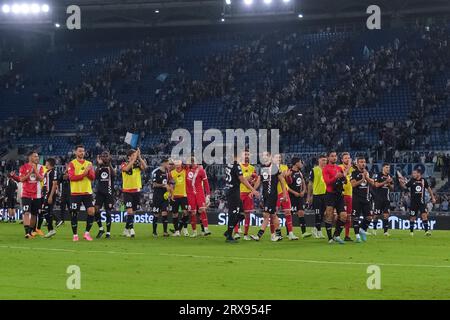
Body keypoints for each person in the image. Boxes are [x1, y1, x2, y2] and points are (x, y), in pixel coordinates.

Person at [223, 149, 259, 243]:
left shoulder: (229, 165)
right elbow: (242, 179)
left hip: (232, 190)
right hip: (233, 192)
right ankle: (229, 236)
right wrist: (253, 189)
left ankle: (228, 232)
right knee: (233, 213)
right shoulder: (236, 165)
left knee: (241, 214)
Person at [251, 152, 286, 242]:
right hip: (265, 195)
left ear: (270, 157)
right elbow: (259, 180)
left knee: (266, 214)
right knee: (273, 215)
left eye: (266, 155)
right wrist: (253, 190)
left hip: (272, 195)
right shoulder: (263, 168)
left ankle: (259, 235)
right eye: (263, 155)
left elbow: (282, 181)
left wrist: (284, 194)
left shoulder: (274, 167)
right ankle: (278, 235)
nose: (264, 157)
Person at [68, 145, 96, 242]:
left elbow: (92, 177)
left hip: (87, 192)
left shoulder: (89, 163)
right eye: (80, 151)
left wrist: (89, 172)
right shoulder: (72, 164)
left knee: (91, 211)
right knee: (74, 213)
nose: (82, 153)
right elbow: (71, 177)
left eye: (83, 151)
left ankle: (87, 233)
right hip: (76, 192)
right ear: (75, 152)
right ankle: (75, 235)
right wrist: (84, 173)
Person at [322, 151, 349, 244]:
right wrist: (335, 177)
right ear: (328, 158)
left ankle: (336, 235)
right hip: (330, 194)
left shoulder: (338, 168)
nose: (334, 158)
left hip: (339, 195)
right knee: (329, 215)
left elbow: (344, 180)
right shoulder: (325, 169)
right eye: (332, 156)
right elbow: (327, 182)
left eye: (335, 156)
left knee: (344, 216)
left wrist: (343, 178)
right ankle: (330, 238)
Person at [399, 169, 436, 236]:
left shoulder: (423, 180)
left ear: (419, 174)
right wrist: (401, 183)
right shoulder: (412, 180)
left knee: (424, 215)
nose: (413, 174)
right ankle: (411, 232)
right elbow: (405, 187)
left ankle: (426, 231)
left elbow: (429, 189)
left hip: (421, 202)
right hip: (413, 202)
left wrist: (433, 197)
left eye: (414, 173)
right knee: (412, 217)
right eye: (413, 173)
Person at [16, 151, 44, 238]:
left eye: (37, 156)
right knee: (26, 213)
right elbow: (21, 179)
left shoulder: (40, 167)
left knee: (34, 214)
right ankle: (27, 232)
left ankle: (31, 231)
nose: (37, 158)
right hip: (26, 194)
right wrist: (29, 173)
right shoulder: (23, 167)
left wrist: (35, 171)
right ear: (30, 157)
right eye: (35, 156)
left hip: (37, 194)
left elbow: (41, 179)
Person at [121, 148, 148, 238]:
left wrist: (139, 157)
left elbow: (145, 167)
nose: (134, 157)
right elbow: (126, 169)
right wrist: (133, 160)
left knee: (133, 212)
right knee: (129, 211)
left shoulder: (137, 164)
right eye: (133, 155)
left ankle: (125, 229)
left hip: (136, 191)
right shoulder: (124, 164)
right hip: (127, 191)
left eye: (135, 155)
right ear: (128, 157)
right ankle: (131, 229)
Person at [233, 150, 259, 240]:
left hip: (248, 194)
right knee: (237, 213)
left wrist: (253, 181)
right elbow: (241, 179)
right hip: (239, 192)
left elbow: (255, 180)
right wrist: (250, 177)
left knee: (247, 214)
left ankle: (245, 234)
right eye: (245, 154)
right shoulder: (237, 166)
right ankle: (236, 232)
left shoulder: (252, 168)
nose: (247, 156)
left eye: (248, 154)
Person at [350, 157, 375, 242]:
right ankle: (357, 236)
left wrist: (366, 177)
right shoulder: (354, 173)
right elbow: (353, 185)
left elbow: (373, 183)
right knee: (355, 218)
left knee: (369, 217)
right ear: (357, 163)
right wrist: (362, 179)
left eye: (364, 162)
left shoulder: (367, 172)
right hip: (356, 199)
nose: (363, 163)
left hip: (366, 199)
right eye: (361, 162)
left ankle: (362, 230)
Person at [273, 154, 297, 240]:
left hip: (284, 193)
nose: (278, 159)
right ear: (273, 159)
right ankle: (275, 233)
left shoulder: (284, 167)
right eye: (276, 157)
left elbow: (289, 182)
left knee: (288, 213)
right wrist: (281, 176)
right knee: (273, 214)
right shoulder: (271, 168)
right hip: (275, 194)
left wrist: (288, 176)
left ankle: (290, 233)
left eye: (279, 157)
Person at [186, 156, 211, 237]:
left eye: (193, 161)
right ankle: (194, 231)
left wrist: (208, 195)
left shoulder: (201, 170)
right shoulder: (186, 169)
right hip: (190, 194)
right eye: (191, 161)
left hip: (199, 193)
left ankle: (206, 229)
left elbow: (206, 183)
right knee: (193, 212)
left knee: (202, 210)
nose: (192, 162)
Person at [287, 157, 312, 239]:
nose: (301, 164)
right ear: (296, 163)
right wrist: (294, 193)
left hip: (300, 196)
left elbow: (304, 182)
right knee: (290, 214)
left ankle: (304, 232)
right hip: (291, 196)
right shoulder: (289, 172)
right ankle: (289, 233)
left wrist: (303, 191)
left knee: (301, 212)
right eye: (300, 162)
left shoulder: (300, 172)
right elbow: (286, 186)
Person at [94, 151, 116, 239]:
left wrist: (109, 163)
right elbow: (95, 176)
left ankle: (108, 233)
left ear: (109, 157)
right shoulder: (99, 167)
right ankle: (101, 228)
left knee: (108, 212)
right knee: (96, 210)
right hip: (100, 192)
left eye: (106, 156)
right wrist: (99, 165)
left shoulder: (110, 166)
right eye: (103, 156)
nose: (105, 157)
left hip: (109, 192)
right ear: (100, 157)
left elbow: (114, 174)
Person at [308, 154, 327, 239]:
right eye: (323, 160)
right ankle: (318, 231)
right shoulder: (314, 170)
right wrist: (309, 196)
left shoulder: (328, 169)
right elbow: (310, 183)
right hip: (317, 195)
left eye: (325, 160)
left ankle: (316, 229)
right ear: (319, 160)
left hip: (326, 195)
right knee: (317, 213)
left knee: (322, 214)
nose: (324, 162)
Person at [372, 163, 394, 236]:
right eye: (387, 167)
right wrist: (386, 182)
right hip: (378, 199)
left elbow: (392, 188)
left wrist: (389, 184)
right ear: (383, 168)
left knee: (386, 215)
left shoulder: (390, 176)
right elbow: (376, 185)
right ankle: (374, 230)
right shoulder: (378, 175)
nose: (388, 169)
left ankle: (385, 232)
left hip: (386, 199)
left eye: (389, 168)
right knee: (376, 215)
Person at [151, 158, 171, 237]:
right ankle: (154, 232)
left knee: (165, 213)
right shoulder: (156, 172)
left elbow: (168, 183)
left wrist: (169, 190)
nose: (168, 165)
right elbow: (154, 184)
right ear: (163, 163)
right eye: (168, 164)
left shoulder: (167, 173)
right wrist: (163, 185)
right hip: (157, 196)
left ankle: (165, 232)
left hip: (164, 197)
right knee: (156, 214)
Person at [170, 159, 190, 237]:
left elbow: (188, 164)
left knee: (186, 212)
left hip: (184, 195)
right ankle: (177, 231)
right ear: (174, 165)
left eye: (179, 165)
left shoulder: (185, 171)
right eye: (176, 165)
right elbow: (171, 185)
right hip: (175, 196)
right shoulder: (171, 173)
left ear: (181, 165)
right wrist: (171, 195)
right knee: (175, 214)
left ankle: (181, 228)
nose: (178, 166)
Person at [339, 152, 354, 241]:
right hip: (341, 194)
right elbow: (344, 174)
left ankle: (347, 235)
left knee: (348, 216)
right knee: (340, 216)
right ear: (342, 160)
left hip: (350, 194)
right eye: (346, 158)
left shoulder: (352, 168)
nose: (347, 159)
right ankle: (336, 234)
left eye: (348, 158)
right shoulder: (340, 167)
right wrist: (349, 165)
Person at [42, 158, 58, 238]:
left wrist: (51, 196)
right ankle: (51, 229)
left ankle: (51, 230)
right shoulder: (47, 172)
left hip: (49, 194)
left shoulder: (53, 171)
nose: (45, 163)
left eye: (46, 162)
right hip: (46, 194)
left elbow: (54, 184)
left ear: (49, 163)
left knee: (46, 211)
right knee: (46, 211)